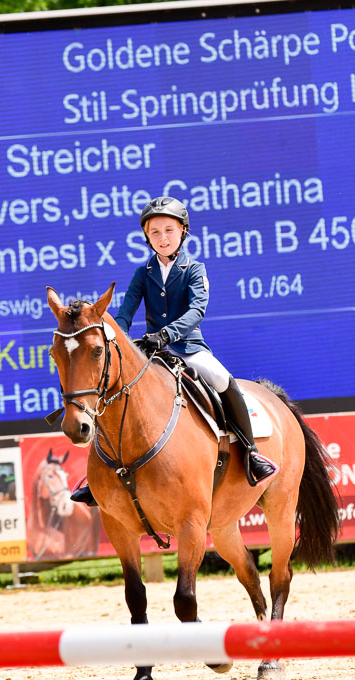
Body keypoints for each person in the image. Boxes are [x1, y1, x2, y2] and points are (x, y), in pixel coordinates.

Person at [71, 196, 278, 505]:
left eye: (169, 230)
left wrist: (165, 334)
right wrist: (123, 341)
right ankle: (96, 474)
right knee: (110, 391)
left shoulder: (194, 269)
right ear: (146, 237)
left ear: (183, 232)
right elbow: (125, 313)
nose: (162, 238)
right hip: (151, 352)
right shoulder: (143, 274)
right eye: (155, 232)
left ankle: (251, 454)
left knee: (223, 381)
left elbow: (197, 311)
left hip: (189, 348)